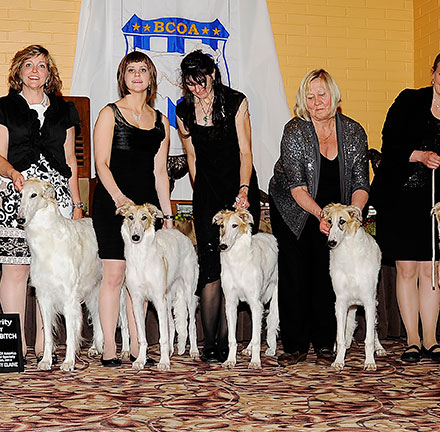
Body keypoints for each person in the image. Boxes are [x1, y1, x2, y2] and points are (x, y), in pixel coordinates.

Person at [370, 48, 440, 364]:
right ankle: (412, 339)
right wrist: (418, 155)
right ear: (432, 73)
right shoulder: (408, 100)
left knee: (431, 270)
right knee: (407, 268)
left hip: (438, 204)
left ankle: (431, 339)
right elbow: (389, 143)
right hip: (402, 196)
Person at [268, 69, 370, 367]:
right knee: (295, 271)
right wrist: (321, 215)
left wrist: (354, 214)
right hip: (293, 206)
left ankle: (326, 343)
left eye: (321, 95)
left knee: (328, 272)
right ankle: (295, 345)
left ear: (334, 96)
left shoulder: (353, 131)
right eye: (309, 97)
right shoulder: (294, 130)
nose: (316, 102)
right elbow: (297, 188)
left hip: (337, 209)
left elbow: (361, 183)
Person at [176, 50, 261, 363]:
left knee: (235, 267)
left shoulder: (236, 101)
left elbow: (246, 153)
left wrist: (243, 191)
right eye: (190, 83)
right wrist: (203, 194)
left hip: (237, 188)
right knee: (210, 267)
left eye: (201, 81)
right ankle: (210, 341)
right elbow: (192, 157)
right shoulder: (183, 110)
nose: (197, 88)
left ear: (213, 73)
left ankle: (228, 341)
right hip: (207, 195)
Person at [0, 44, 83, 362]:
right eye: (28, 64)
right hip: (14, 195)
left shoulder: (65, 111)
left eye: (42, 65)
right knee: (16, 270)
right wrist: (11, 173)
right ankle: (14, 346)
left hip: (56, 201)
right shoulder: (4, 108)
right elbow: (0, 155)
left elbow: (70, 160)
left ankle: (44, 345)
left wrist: (76, 204)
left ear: (50, 74)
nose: (35, 69)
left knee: (51, 273)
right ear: (18, 71)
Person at [92, 51, 172, 367]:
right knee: (115, 275)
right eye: (130, 70)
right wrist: (119, 199)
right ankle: (110, 347)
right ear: (122, 78)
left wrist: (166, 216)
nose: (137, 75)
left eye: (142, 70)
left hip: (146, 214)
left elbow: (161, 173)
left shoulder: (162, 122)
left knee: (138, 279)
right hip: (113, 205)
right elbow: (101, 164)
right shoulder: (109, 114)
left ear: (151, 78)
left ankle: (139, 347)